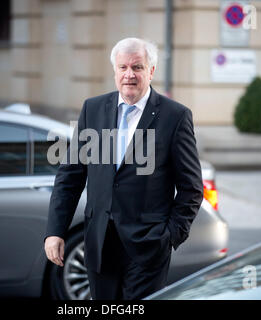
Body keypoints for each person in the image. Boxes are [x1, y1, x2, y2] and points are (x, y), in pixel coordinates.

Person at [44, 37, 203, 300]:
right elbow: (70, 177)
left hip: (148, 248)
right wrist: (55, 231)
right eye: (123, 67)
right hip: (99, 244)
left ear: (151, 71)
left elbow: (191, 188)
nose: (129, 74)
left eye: (137, 67)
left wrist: (169, 236)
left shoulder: (175, 116)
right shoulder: (92, 109)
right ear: (115, 71)